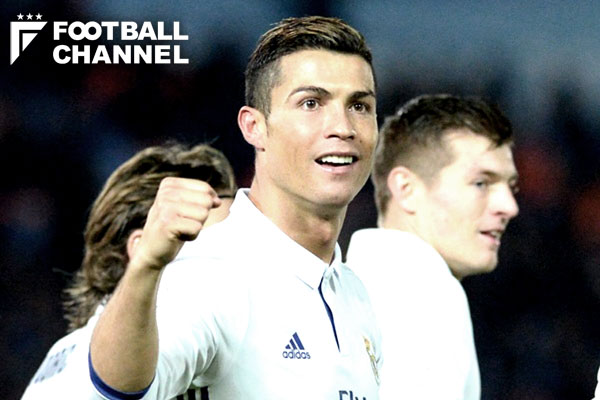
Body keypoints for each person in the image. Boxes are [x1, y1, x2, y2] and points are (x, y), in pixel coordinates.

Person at [89, 16, 381, 400]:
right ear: (254, 127)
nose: (343, 127)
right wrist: (145, 267)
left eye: (360, 105)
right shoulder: (210, 272)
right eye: (311, 103)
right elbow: (117, 387)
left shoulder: (355, 293)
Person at [21, 143, 237, 400]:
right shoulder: (122, 360)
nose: (238, 261)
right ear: (142, 248)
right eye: (217, 244)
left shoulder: (65, 353)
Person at [346, 94, 520, 399]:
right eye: (481, 183)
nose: (509, 206)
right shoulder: (431, 294)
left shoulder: (344, 289)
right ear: (406, 189)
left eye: (511, 187)